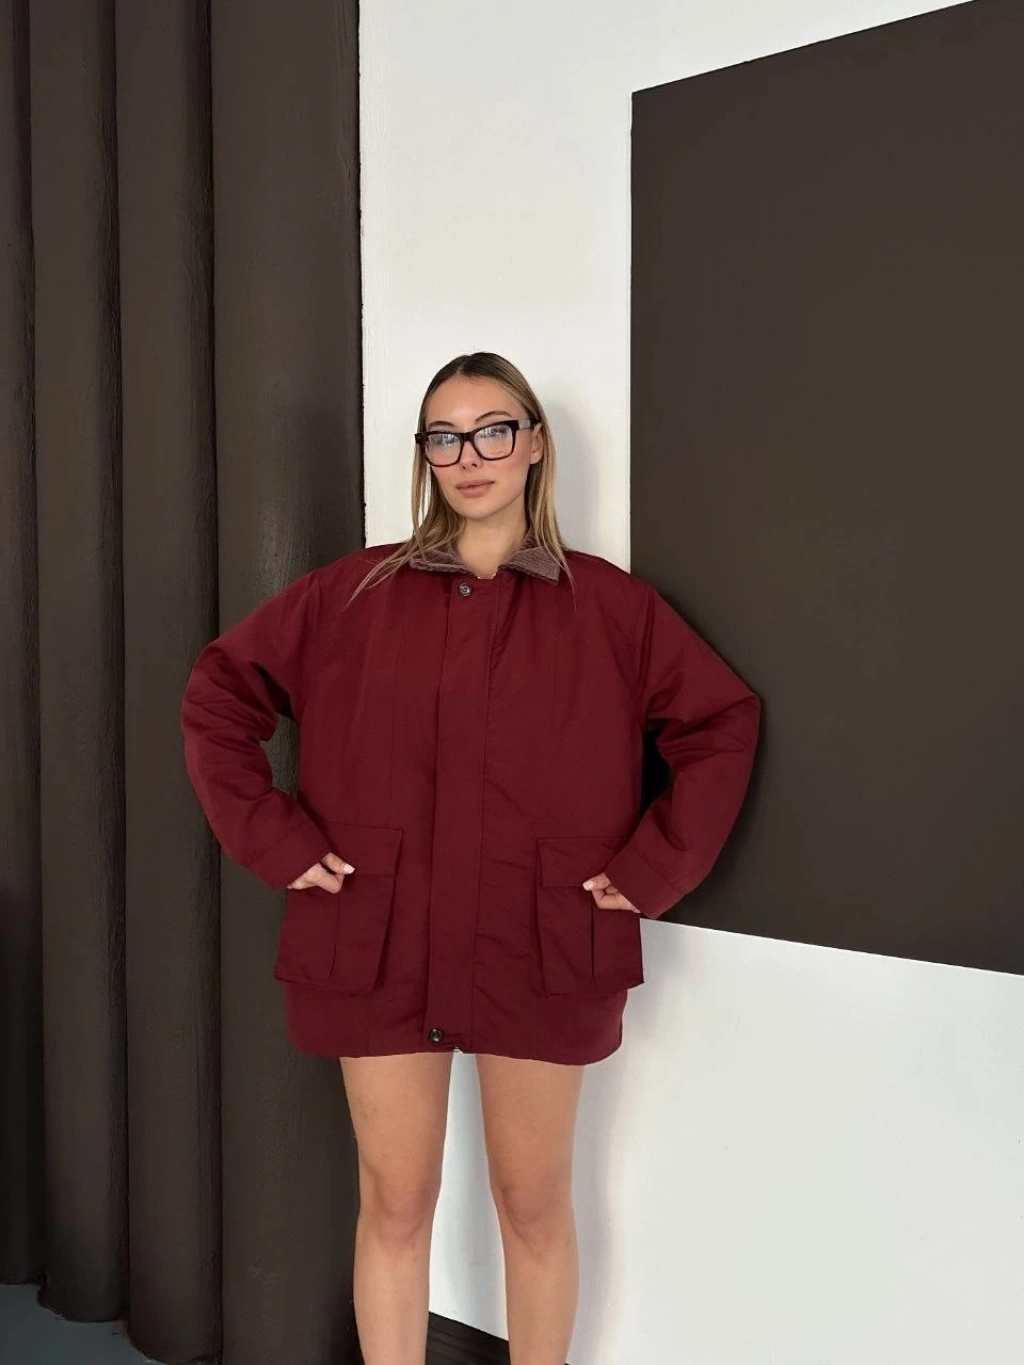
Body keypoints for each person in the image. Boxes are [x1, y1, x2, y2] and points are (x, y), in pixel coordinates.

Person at [180, 351, 761, 1365]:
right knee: (394, 1200)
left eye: (494, 429)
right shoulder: (350, 594)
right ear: (426, 455)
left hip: (542, 941)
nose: (469, 456)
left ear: (534, 443)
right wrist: (276, 838)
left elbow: (721, 722)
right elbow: (219, 695)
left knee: (532, 1204)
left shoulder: (611, 609)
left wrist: (652, 867)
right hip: (378, 936)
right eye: (444, 437)